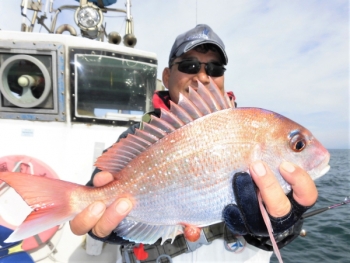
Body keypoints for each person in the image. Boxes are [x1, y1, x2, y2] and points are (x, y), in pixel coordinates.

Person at [70, 24, 318, 263]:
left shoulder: (249, 129)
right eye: (189, 65)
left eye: (215, 68)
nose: (202, 76)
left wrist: (285, 221)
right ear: (167, 77)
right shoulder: (138, 137)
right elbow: (100, 194)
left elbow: (278, 237)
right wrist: (105, 225)